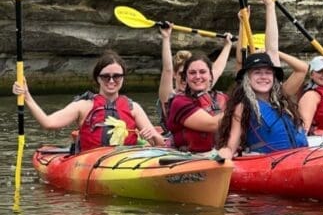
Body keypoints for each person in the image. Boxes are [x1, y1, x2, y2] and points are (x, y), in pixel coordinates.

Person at [12, 51, 165, 152]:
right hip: (91, 162)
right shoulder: (83, 106)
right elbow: (48, 123)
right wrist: (27, 97)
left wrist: (154, 138)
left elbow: (159, 144)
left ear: (123, 78)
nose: (111, 81)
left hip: (127, 161)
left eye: (117, 76)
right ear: (98, 78)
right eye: (106, 77)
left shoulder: (133, 108)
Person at [217, 0, 307, 158]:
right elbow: (230, 146)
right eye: (257, 72)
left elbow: (272, 49)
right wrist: (221, 157)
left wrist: (270, 6)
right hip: (271, 163)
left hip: (300, 157)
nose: (263, 77)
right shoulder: (243, 107)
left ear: (273, 77)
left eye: (267, 72)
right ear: (247, 78)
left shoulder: (281, 97)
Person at [157, 23, 232, 136]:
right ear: (174, 74)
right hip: (175, 140)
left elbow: (216, 69)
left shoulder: (200, 87)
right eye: (183, 74)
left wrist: (228, 45)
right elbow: (167, 70)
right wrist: (166, 38)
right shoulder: (170, 96)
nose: (196, 77)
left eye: (200, 72)